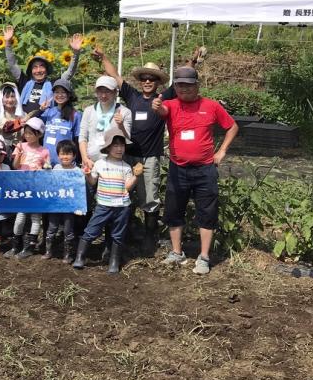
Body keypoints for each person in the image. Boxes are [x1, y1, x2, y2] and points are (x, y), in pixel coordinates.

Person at [94, 47, 204, 243]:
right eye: (144, 78)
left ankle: (149, 239)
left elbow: (180, 79)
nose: (147, 81)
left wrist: (193, 62)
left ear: (157, 83)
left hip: (149, 157)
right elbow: (115, 75)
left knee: (149, 198)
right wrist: (103, 57)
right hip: (126, 156)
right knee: (121, 193)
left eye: (151, 79)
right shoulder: (132, 96)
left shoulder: (163, 98)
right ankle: (122, 235)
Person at [152, 67, 238, 275]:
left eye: (188, 85)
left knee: (207, 211)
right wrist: (155, 106)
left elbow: (232, 126)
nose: (184, 89)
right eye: (179, 85)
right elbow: (161, 111)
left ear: (197, 86)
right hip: (178, 168)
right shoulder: (171, 105)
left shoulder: (211, 106)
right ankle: (176, 252)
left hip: (204, 169)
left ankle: (204, 256)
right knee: (174, 209)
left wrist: (222, 151)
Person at [74, 130, 142, 274]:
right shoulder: (99, 163)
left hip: (122, 207)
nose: (119, 149)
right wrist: (87, 174)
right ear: (108, 147)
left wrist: (136, 176)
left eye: (122, 146)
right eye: (115, 145)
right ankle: (80, 257)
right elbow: (93, 182)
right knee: (92, 230)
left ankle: (114, 262)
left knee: (117, 235)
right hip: (103, 206)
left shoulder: (126, 167)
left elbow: (128, 187)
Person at [4, 28, 83, 112]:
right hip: (24, 121)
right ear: (31, 70)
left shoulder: (54, 83)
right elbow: (12, 65)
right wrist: (8, 44)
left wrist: (76, 53)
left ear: (46, 69)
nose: (38, 70)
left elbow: (69, 73)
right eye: (35, 67)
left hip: (47, 122)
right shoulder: (25, 81)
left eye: (42, 66)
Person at [8, 117, 51, 259]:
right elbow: (15, 166)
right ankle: (15, 246)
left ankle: (29, 247)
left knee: (35, 217)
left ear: (39, 134)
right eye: (25, 132)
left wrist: (46, 167)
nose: (27, 135)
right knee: (20, 217)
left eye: (31, 133)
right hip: (22, 187)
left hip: (36, 188)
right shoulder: (21, 146)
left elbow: (47, 167)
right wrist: (18, 155)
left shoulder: (44, 150)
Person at [79, 76, 133, 169]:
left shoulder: (125, 112)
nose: (103, 95)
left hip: (115, 165)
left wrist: (121, 126)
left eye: (108, 91)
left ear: (115, 92)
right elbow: (82, 137)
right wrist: (85, 158)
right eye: (100, 91)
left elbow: (127, 140)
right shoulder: (89, 111)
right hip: (91, 163)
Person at [43, 140, 83, 263]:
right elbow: (50, 184)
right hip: (56, 204)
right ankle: (48, 251)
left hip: (70, 206)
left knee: (68, 230)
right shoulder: (56, 167)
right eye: (62, 154)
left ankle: (68, 254)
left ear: (74, 155)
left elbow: (79, 190)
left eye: (68, 154)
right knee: (52, 227)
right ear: (58, 155)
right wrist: (47, 172)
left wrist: (80, 206)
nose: (65, 156)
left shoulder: (77, 171)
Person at [40, 79, 82, 163]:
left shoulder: (76, 115)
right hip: (46, 161)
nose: (60, 95)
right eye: (57, 92)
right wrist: (40, 110)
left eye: (63, 92)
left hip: (65, 162)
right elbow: (33, 127)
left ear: (69, 94)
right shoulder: (48, 112)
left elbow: (78, 139)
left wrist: (78, 160)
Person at [0, 82, 25, 149]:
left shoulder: (23, 115)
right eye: (7, 97)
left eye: (12, 96)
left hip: (16, 150)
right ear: (2, 98)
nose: (10, 100)